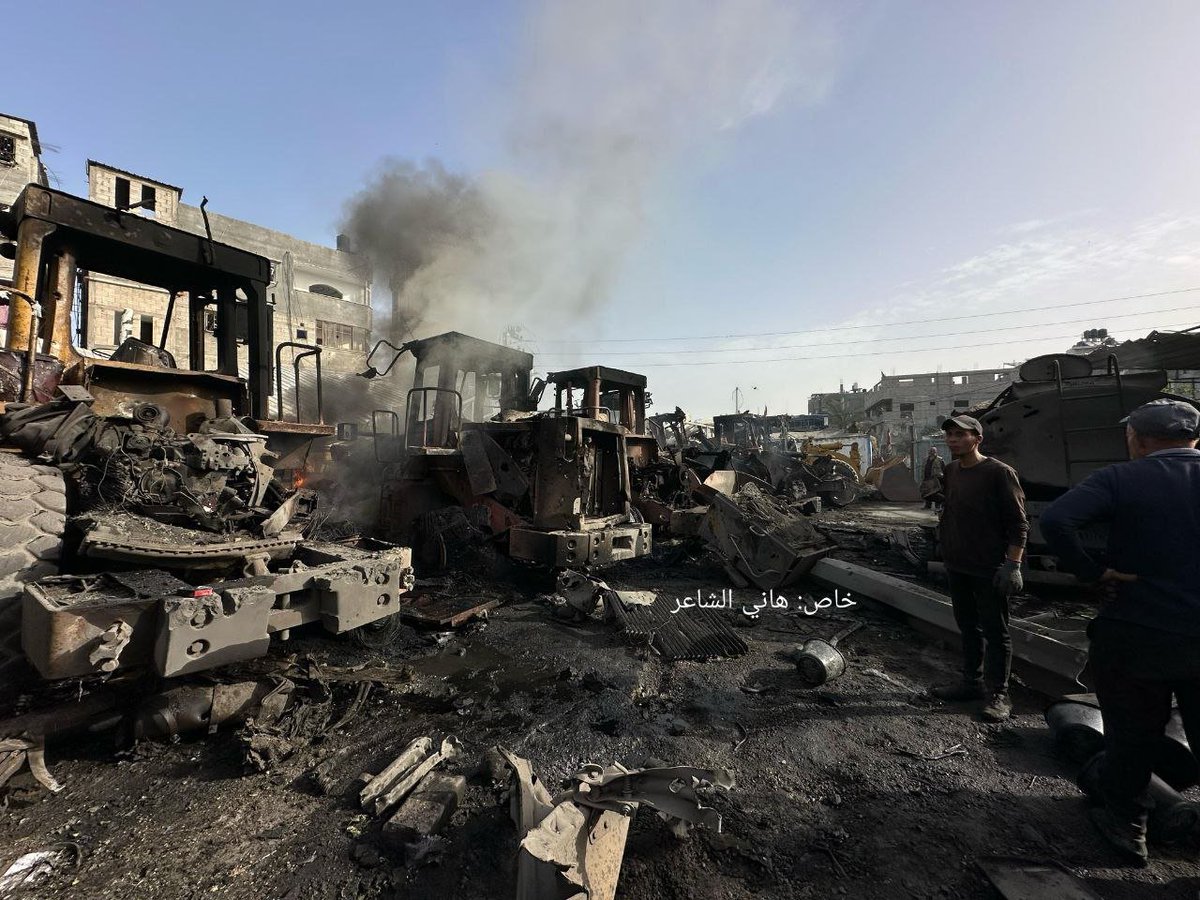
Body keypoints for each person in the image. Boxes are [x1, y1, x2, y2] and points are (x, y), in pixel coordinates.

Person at [1040, 398, 1200, 866]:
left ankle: (1128, 827)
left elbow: (1056, 520)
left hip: (1137, 632)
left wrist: (1093, 573)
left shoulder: (1121, 478)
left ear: (1137, 438)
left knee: (1133, 733)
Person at [930, 415, 1028, 722]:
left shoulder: (999, 473)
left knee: (996, 632)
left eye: (960, 434)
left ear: (977, 438)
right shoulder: (951, 471)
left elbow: (1019, 524)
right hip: (958, 564)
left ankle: (999, 694)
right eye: (949, 435)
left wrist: (1013, 564)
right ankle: (970, 683)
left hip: (988, 567)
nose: (952, 440)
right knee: (967, 626)